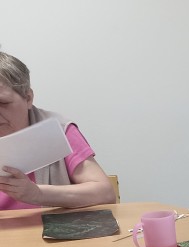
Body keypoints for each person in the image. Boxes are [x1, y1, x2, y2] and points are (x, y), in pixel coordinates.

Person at [0, 51, 114, 209]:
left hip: (46, 230)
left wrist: (38, 194)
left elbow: (104, 193)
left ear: (28, 98)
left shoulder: (59, 130)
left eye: (3, 103)